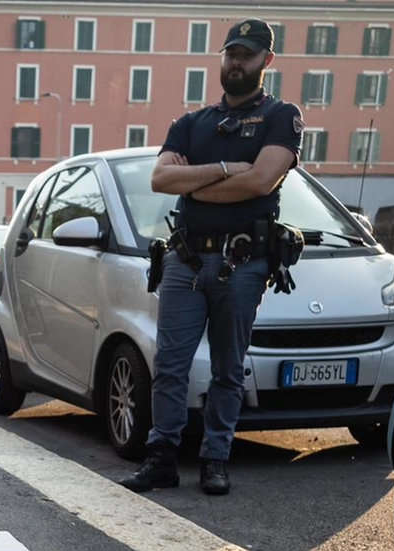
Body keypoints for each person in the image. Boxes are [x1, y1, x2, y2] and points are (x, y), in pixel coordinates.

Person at [121, 18, 302, 496]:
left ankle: (215, 458)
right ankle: (161, 457)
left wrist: (196, 183)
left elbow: (261, 181)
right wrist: (224, 169)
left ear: (267, 60)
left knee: (228, 366)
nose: (237, 61)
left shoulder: (281, 117)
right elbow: (160, 181)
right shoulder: (190, 123)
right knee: (170, 365)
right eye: (231, 53)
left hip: (243, 264)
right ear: (221, 58)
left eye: (247, 54)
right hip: (184, 259)